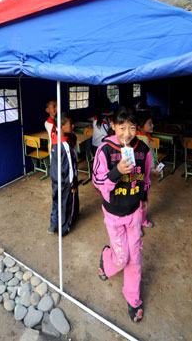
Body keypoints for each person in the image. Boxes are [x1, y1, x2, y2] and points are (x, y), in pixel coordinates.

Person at [93, 105, 151, 323]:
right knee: (122, 257)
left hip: (134, 211)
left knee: (135, 258)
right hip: (114, 214)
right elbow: (97, 181)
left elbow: (145, 178)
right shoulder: (105, 150)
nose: (127, 133)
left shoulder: (143, 150)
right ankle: (107, 258)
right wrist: (117, 172)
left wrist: (144, 196)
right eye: (122, 127)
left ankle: (133, 299)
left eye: (132, 128)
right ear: (114, 126)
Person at [48, 112, 79, 236]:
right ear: (61, 127)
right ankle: (64, 228)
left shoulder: (55, 136)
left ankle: (53, 224)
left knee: (56, 201)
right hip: (66, 181)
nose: (73, 126)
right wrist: (73, 184)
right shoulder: (65, 144)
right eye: (70, 124)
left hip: (55, 177)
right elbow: (70, 167)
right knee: (67, 204)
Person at [136, 110, 161, 232]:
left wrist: (155, 164)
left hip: (142, 176)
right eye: (149, 123)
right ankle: (138, 224)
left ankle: (142, 221)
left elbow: (151, 156)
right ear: (140, 126)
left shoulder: (144, 138)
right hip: (142, 176)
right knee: (141, 199)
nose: (152, 125)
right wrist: (152, 169)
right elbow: (146, 159)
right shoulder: (143, 140)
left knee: (142, 199)